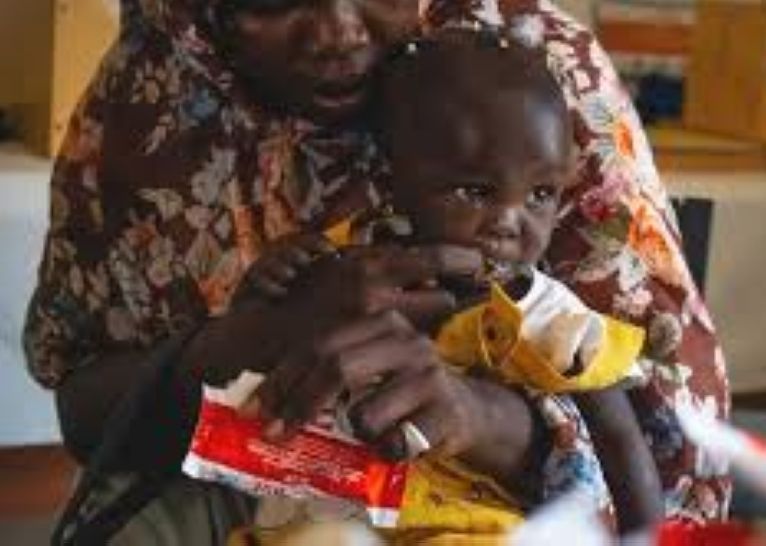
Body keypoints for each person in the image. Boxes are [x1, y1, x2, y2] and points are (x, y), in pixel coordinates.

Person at [23, 0, 729, 543]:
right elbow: (88, 418)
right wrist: (249, 340)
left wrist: (479, 417)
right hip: (252, 502)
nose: (335, 31)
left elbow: (680, 473)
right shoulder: (155, 88)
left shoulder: (536, 75)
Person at [230, 28, 662, 540]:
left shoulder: (546, 314)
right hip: (326, 518)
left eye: (541, 194)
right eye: (475, 191)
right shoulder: (342, 267)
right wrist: (267, 285)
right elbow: (250, 353)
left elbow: (620, 442)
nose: (509, 221)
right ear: (391, 179)